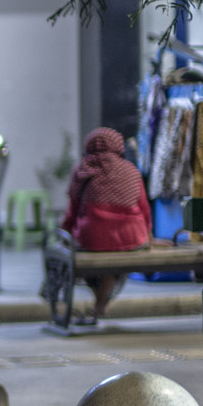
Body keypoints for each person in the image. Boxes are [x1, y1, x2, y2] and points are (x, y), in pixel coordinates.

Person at [60, 127, 153, 321]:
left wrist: (64, 233)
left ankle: (99, 303)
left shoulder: (82, 170)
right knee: (116, 259)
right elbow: (144, 209)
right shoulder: (131, 171)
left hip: (92, 238)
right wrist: (149, 236)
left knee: (91, 253)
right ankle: (100, 304)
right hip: (131, 238)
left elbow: (72, 212)